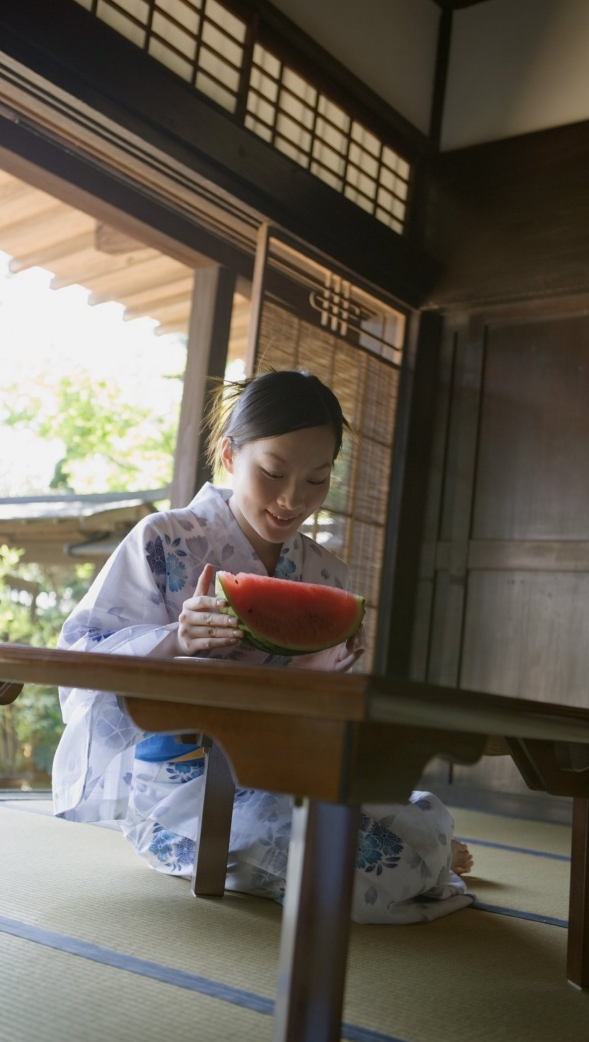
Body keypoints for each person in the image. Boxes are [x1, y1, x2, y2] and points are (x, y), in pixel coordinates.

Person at [52, 369, 474, 924]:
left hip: (281, 771)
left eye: (317, 480)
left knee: (427, 820)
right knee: (349, 868)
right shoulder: (164, 538)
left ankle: (426, 859)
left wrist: (326, 671)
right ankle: (427, 868)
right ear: (229, 454)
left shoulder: (325, 571)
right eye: (273, 472)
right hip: (183, 786)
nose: (292, 500)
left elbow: (318, 717)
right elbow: (83, 650)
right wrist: (175, 639)